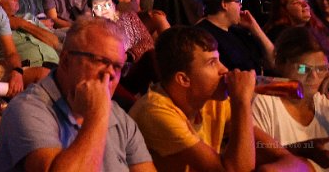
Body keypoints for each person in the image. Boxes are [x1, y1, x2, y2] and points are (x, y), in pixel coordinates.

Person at [129, 26, 309, 172]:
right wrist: (241, 102)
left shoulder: (212, 99)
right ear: (184, 79)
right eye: (211, 63)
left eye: (219, 60)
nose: (224, 69)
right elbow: (237, 170)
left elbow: (278, 154)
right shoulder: (155, 111)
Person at [0, 17, 155, 171]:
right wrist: (98, 114)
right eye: (101, 61)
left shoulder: (121, 118)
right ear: (65, 61)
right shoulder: (27, 110)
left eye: (118, 67)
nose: (111, 74)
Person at [252, 27, 329, 171]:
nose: (313, 77)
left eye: (321, 69)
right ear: (281, 64)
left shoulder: (327, 100)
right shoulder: (266, 103)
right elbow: (256, 154)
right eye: (303, 69)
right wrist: (304, 149)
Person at [196, 0, 275, 74]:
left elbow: (273, 62)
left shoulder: (238, 32)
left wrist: (254, 27)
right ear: (224, 4)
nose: (240, 5)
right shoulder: (202, 36)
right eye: (237, 1)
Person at [0, 0, 60, 70]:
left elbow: (55, 42)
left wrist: (23, 24)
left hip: (56, 66)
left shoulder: (28, 18)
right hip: (32, 70)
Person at [264, 0, 329, 57]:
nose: (305, 5)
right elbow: (298, 66)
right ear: (283, 10)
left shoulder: (316, 28)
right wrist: (314, 68)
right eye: (296, 3)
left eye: (304, 1)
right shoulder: (280, 36)